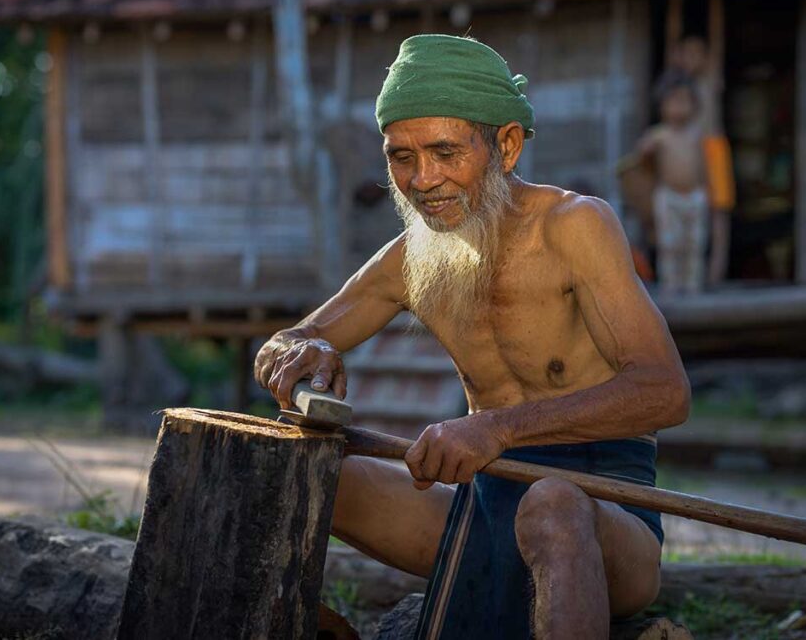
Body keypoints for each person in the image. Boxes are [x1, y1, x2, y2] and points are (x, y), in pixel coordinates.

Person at [254, 35, 690, 640]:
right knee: (301, 472)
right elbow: (283, 341)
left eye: (444, 152)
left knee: (553, 504)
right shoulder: (412, 255)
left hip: (602, 505)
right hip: (480, 507)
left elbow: (666, 392)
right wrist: (307, 348)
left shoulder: (576, 226)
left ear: (506, 146)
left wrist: (496, 428)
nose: (423, 179)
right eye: (401, 157)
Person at [668, 0, 735, 285]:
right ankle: (684, 277)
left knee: (719, 211)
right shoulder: (678, 83)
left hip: (714, 147)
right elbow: (671, 41)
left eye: (699, 52)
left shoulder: (712, 78)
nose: (693, 58)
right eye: (687, 52)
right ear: (680, 56)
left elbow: (718, 38)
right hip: (689, 151)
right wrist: (675, 1)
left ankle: (715, 275)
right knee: (685, 211)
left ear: (707, 56)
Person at [637, 72, 709, 295]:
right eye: (673, 101)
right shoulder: (660, 135)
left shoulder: (697, 134)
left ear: (694, 105)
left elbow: (704, 166)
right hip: (668, 196)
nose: (679, 106)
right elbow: (641, 155)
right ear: (662, 105)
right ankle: (671, 285)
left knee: (694, 243)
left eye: (684, 100)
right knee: (670, 244)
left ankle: (692, 286)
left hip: (695, 196)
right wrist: (646, 149)